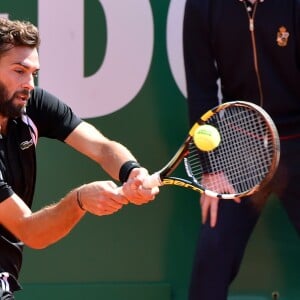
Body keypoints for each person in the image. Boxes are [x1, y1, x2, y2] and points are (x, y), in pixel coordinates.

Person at [0, 17, 159, 299]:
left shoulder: (31, 104)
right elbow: (30, 230)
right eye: (19, 71)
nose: (30, 84)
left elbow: (101, 146)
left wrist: (131, 171)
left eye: (33, 73)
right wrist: (79, 200)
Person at [183, 0, 300, 299]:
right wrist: (211, 170)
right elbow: (201, 90)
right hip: (241, 148)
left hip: (297, 140)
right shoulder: (202, 6)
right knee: (212, 254)